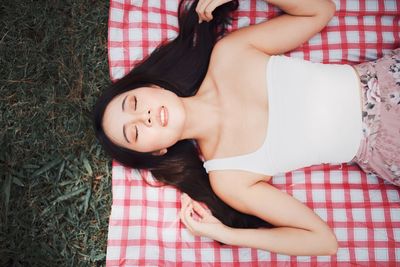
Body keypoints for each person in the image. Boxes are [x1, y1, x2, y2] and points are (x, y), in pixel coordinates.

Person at [93, 0, 400, 256]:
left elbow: (320, 11)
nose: (143, 117)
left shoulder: (229, 54)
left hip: (386, 79)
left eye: (133, 103)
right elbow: (322, 242)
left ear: (150, 86)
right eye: (134, 133)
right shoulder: (228, 177)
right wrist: (228, 234)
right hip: (389, 147)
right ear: (158, 151)